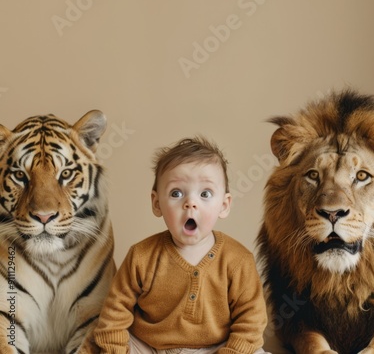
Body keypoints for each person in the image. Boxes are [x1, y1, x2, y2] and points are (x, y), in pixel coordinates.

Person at [82, 136, 270, 354]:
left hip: (214, 348)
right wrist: (116, 349)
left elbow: (251, 320)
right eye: (176, 193)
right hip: (148, 346)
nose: (190, 203)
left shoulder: (238, 260)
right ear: (157, 203)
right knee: (98, 341)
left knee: (256, 351)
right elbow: (116, 310)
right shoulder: (141, 256)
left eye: (205, 194)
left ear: (224, 205)